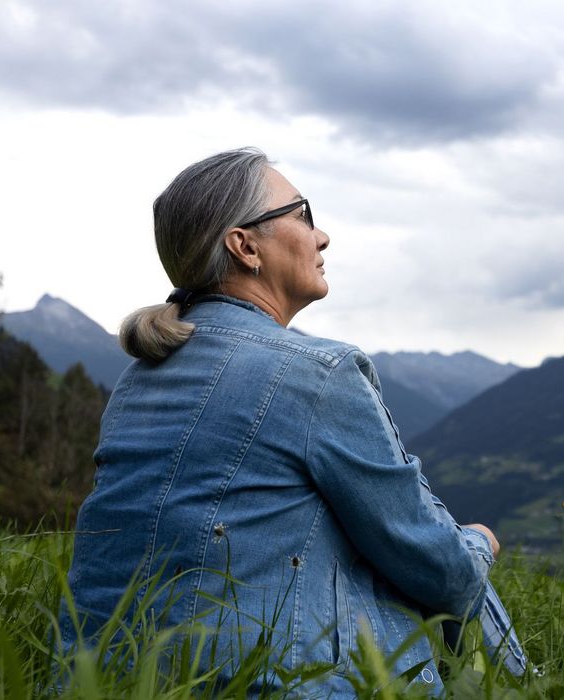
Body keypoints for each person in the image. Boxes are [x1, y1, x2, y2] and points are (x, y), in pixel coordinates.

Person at [58, 148, 524, 696]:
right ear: (245, 246)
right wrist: (477, 543)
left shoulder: (138, 380)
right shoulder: (318, 375)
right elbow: (436, 566)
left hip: (105, 679)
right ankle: (530, 683)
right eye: (303, 214)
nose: (321, 236)